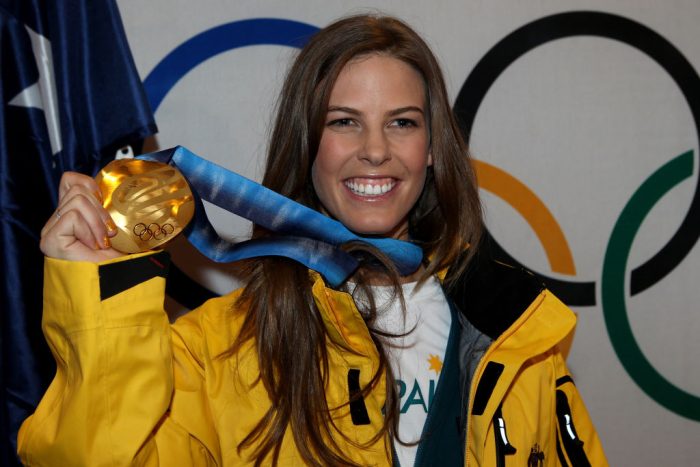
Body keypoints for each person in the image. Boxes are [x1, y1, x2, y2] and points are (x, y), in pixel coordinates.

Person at [17, 13, 607, 466]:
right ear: (308, 146)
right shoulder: (218, 349)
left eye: (402, 122)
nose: (375, 149)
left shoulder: (517, 331)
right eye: (343, 121)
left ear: (431, 151)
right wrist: (104, 300)